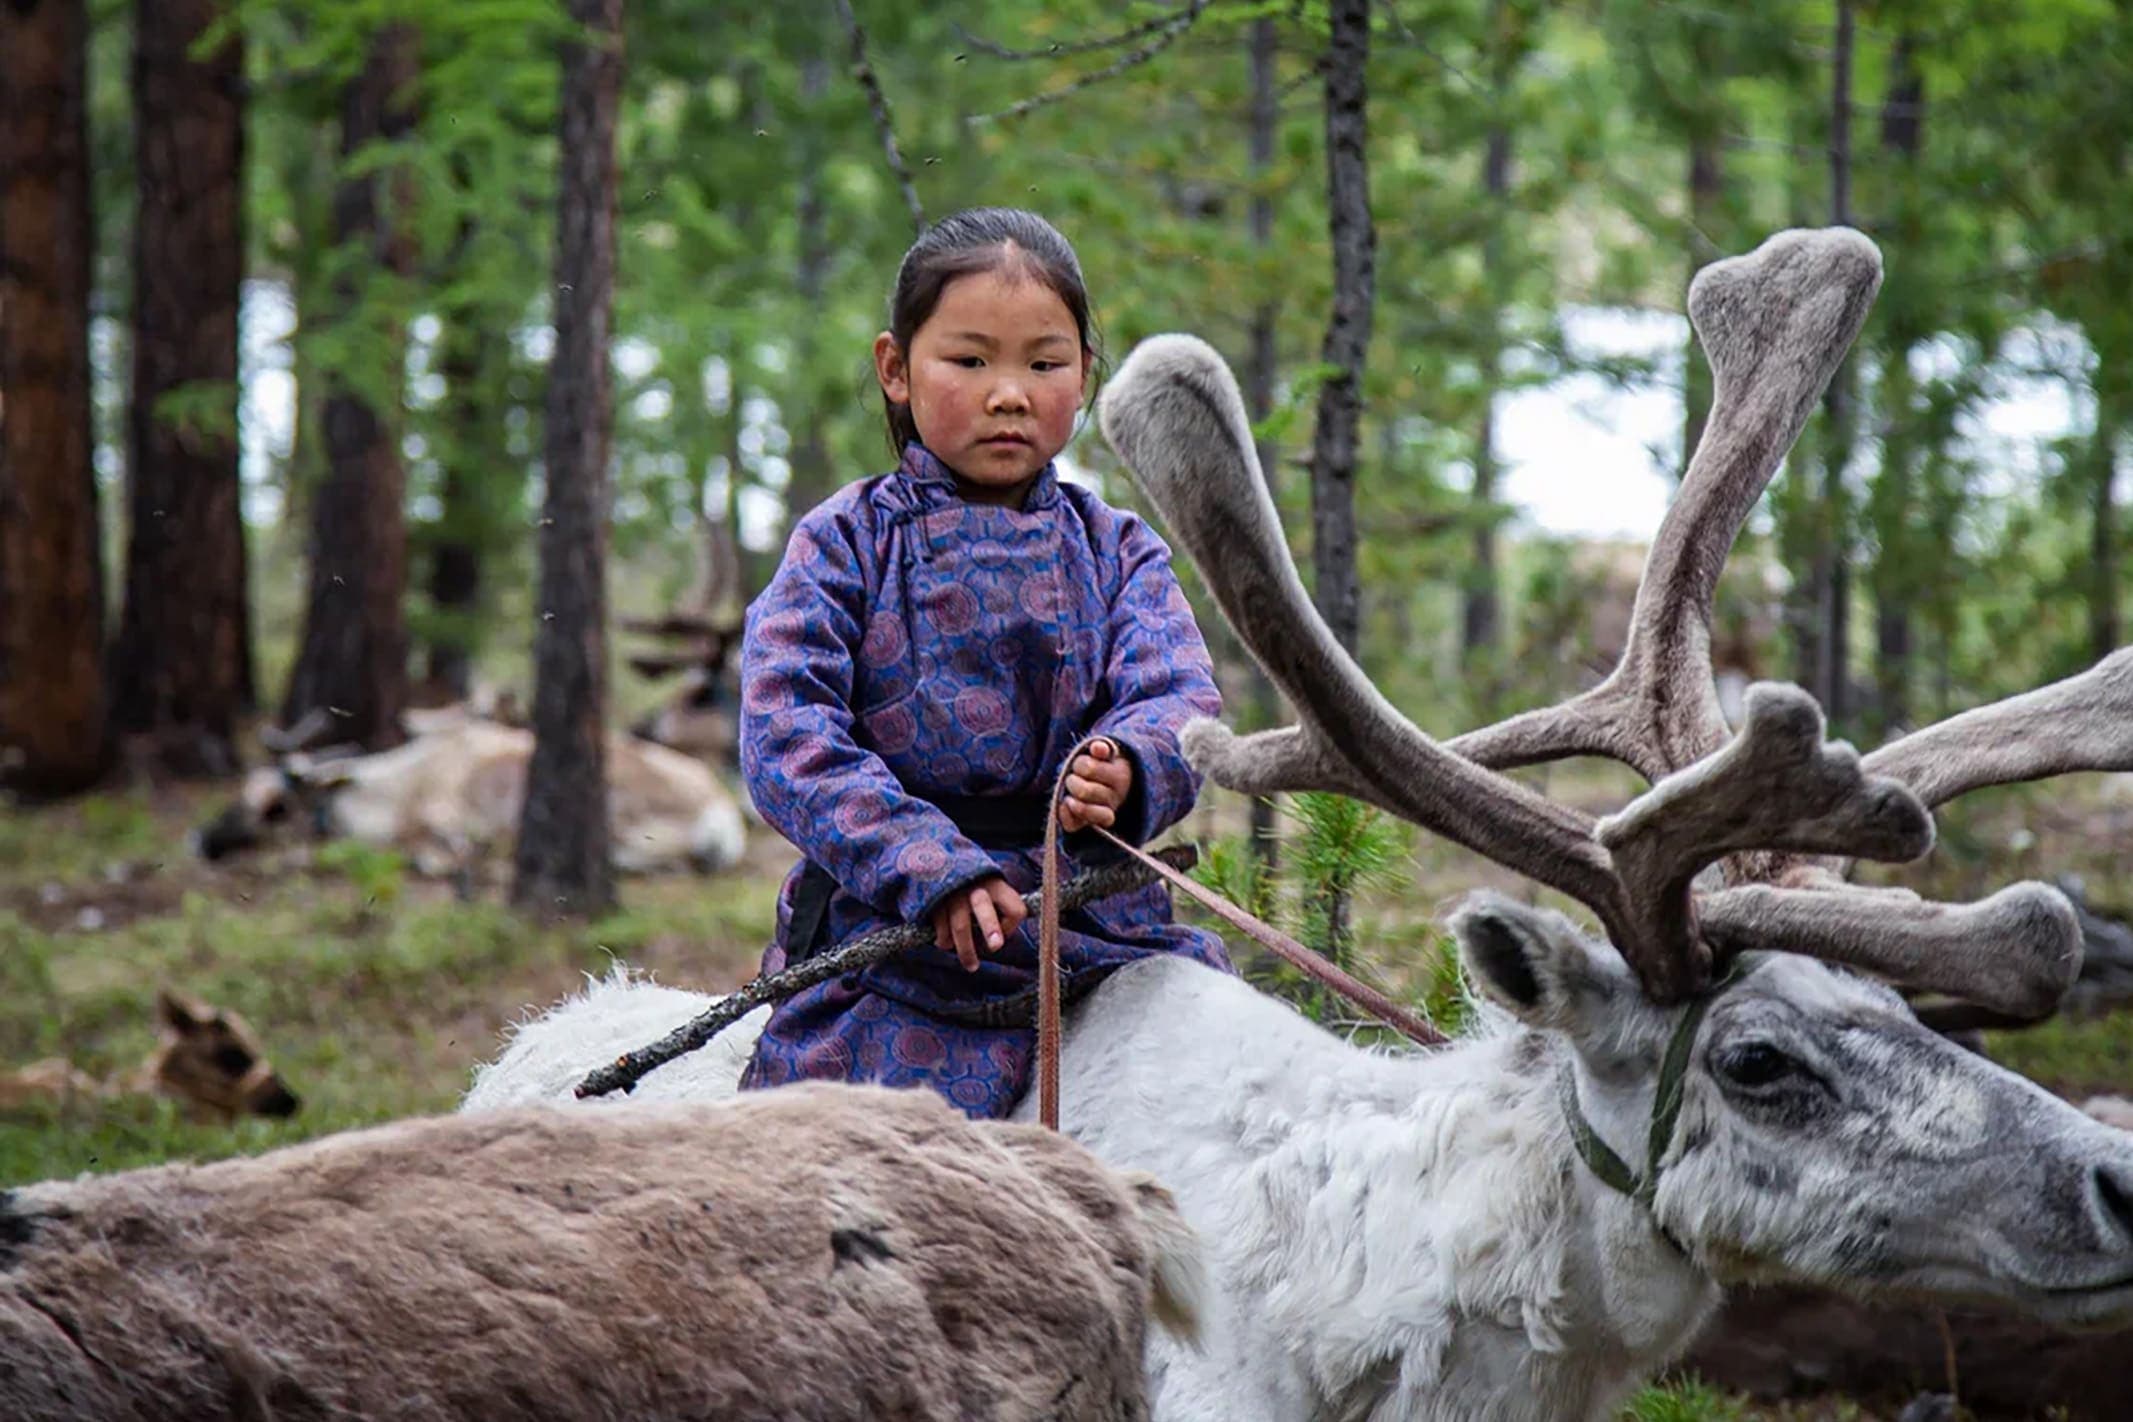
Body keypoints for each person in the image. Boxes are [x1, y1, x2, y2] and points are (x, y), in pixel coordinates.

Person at [736, 206, 1234, 1120]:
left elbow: (1175, 695)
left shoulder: (1120, 551)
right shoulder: (843, 544)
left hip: (1093, 924)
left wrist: (1125, 770)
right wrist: (929, 863)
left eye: (1044, 364)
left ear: (1085, 375)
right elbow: (785, 735)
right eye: (969, 362)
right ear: (896, 369)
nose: (1009, 393)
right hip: (898, 949)